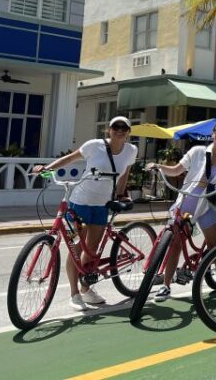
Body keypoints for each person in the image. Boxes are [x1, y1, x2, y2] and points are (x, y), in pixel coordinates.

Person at [33, 116, 137, 311]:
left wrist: (121, 195)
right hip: (80, 202)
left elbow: (125, 174)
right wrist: (47, 168)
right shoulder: (94, 145)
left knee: (92, 248)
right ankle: (74, 294)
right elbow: (70, 158)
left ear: (129, 132)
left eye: (124, 128)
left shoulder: (131, 151)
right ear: (109, 130)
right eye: (116, 127)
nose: (120, 130)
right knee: (76, 248)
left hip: (102, 204)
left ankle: (86, 288)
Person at [146, 119, 216, 302]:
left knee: (215, 247)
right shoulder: (197, 152)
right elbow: (176, 170)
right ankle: (166, 286)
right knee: (175, 245)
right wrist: (158, 167)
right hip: (186, 201)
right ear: (212, 133)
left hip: (206, 205)